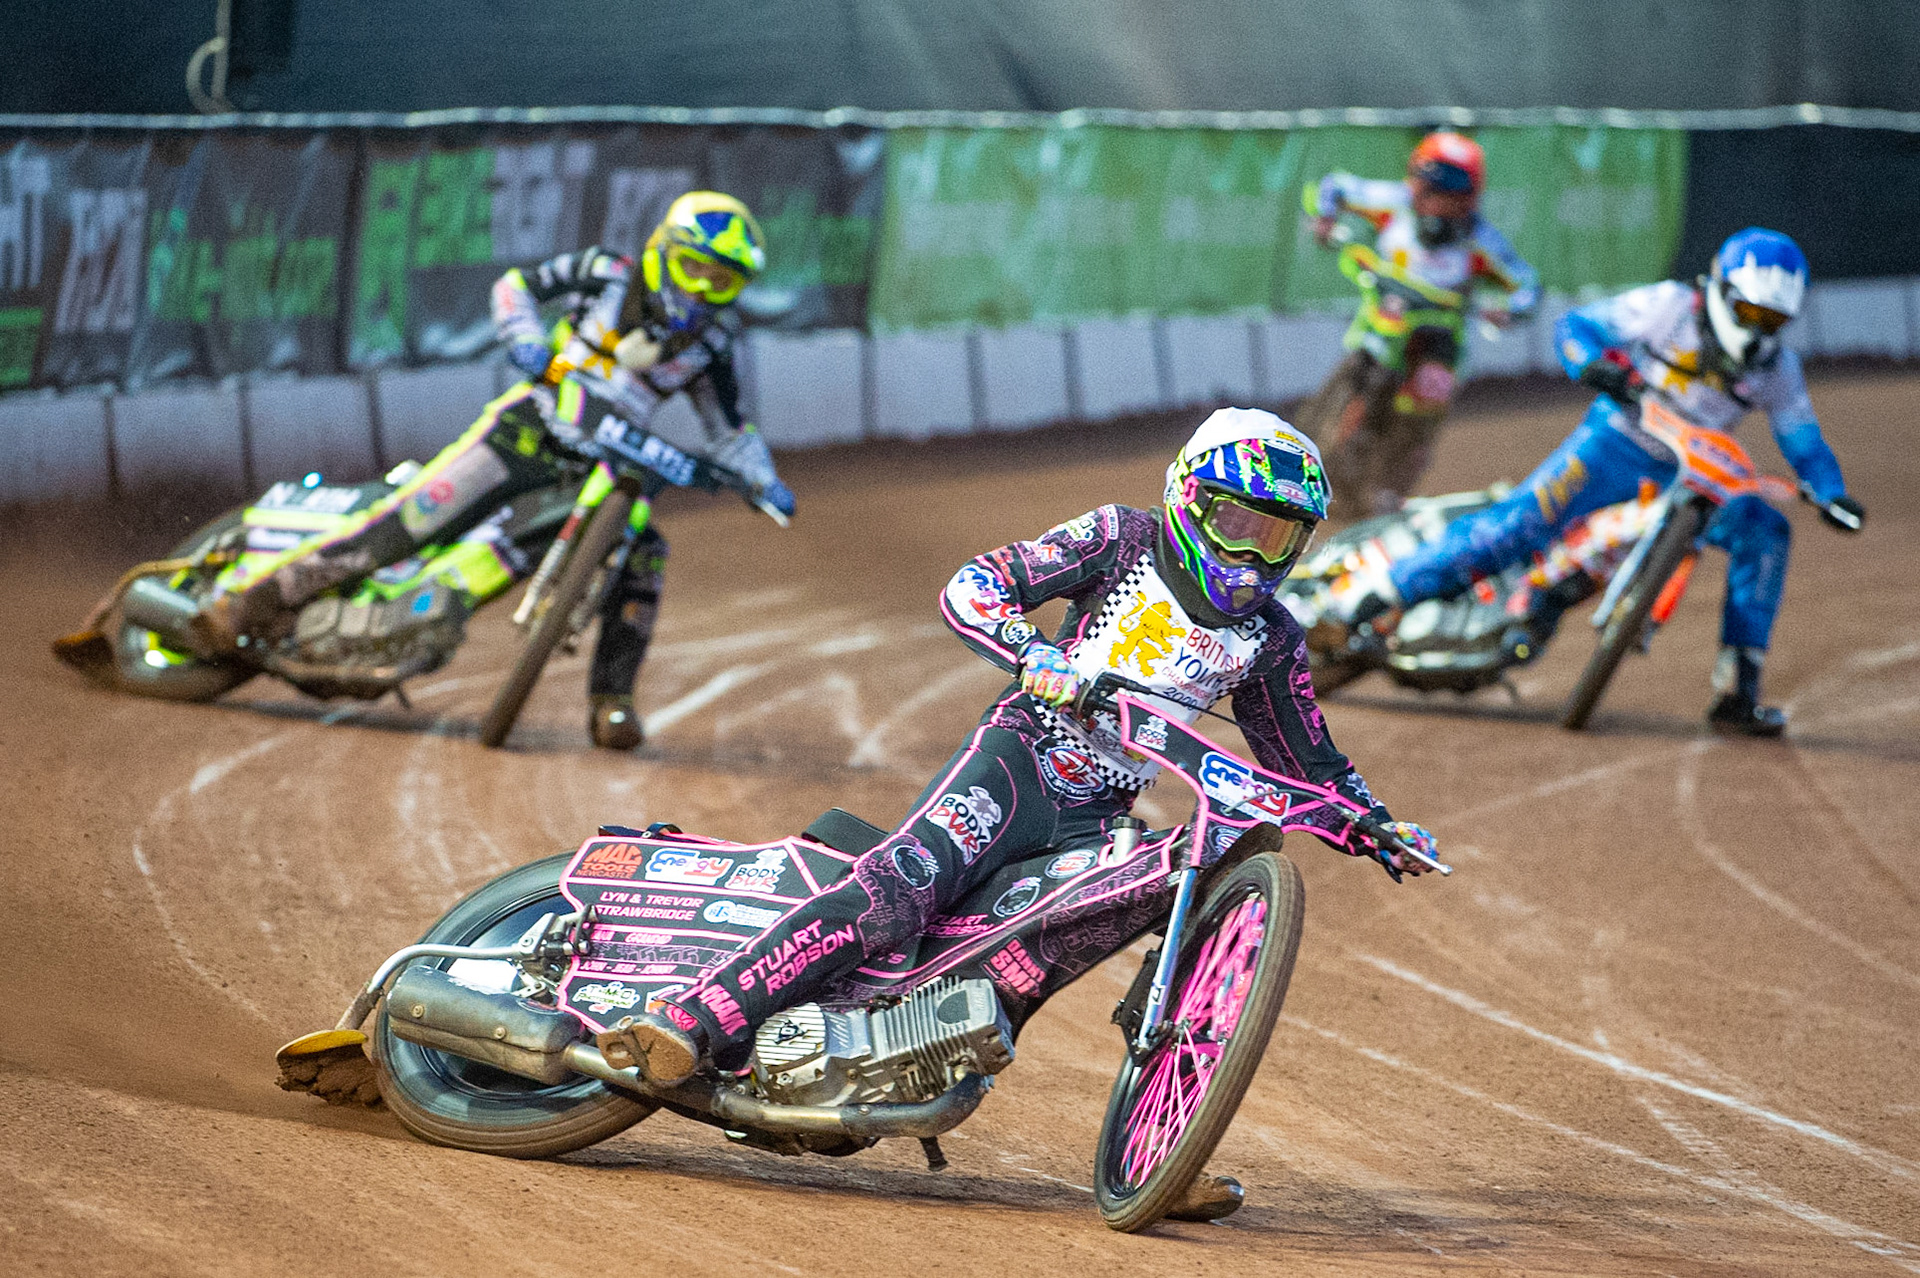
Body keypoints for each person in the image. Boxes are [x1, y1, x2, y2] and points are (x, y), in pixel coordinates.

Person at [604, 408, 1438, 1097]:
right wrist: (1034, 656)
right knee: (904, 887)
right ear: (1189, 498)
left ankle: (1171, 1121)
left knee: (1050, 951)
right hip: (1018, 761)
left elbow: (1310, 765)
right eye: (1238, 525)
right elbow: (975, 585)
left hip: (1097, 815)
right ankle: (694, 1017)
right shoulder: (1119, 538)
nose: (1254, 556)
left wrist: (1376, 825)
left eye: (1279, 537)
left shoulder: (1272, 640)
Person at [192, 191, 795, 749]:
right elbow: (516, 286)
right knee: (409, 522)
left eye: (723, 282)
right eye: (697, 270)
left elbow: (730, 428)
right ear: (665, 251)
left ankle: (612, 702)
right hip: (528, 426)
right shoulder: (607, 271)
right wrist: (525, 340)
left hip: (603, 467)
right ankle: (250, 602)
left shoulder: (711, 346)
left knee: (643, 556)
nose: (704, 291)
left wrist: (764, 480)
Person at [1327, 228, 1866, 736]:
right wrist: (1594, 365)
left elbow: (1804, 440)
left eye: (1771, 320)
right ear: (1720, 291)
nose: (1756, 330)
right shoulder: (1668, 306)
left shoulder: (1779, 369)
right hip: (1613, 444)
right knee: (1520, 525)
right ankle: (1383, 594)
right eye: (1748, 311)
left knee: (1765, 530)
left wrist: (1832, 491)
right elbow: (1577, 327)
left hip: (1693, 475)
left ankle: (1737, 690)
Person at [1301, 131, 1539, 516]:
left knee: (1429, 395)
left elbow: (1527, 283)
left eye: (1438, 190)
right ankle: (1322, 445)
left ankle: (1389, 488)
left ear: (1465, 199)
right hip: (1383, 323)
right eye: (1419, 181)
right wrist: (1325, 218)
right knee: (1361, 368)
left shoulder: (1480, 241)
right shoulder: (1393, 204)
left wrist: (1508, 310)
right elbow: (1333, 186)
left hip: (1440, 342)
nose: (1423, 196)